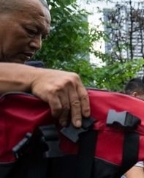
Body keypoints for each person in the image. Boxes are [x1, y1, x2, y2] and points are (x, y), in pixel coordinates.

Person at [0, 0, 90, 128]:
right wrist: (34, 77)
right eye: (31, 31)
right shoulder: (34, 78)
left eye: (43, 37)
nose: (38, 45)